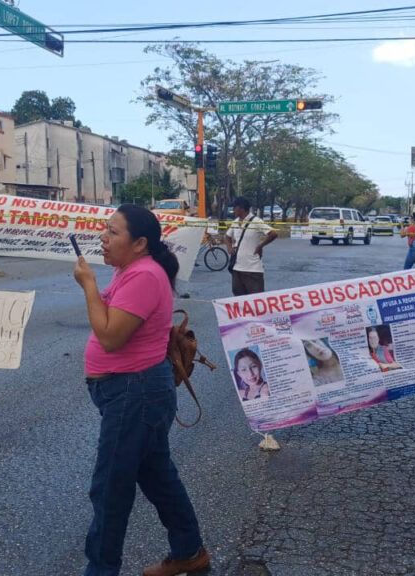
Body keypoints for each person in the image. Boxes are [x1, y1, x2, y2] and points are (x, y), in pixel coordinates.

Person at [73, 204, 209, 576]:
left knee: (110, 490)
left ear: (140, 243)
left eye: (113, 232)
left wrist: (87, 286)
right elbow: (110, 317)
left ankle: (101, 570)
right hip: (133, 392)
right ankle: (188, 552)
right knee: (157, 476)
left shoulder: (145, 276)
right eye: (105, 229)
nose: (103, 236)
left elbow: (110, 336)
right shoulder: (128, 270)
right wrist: (95, 289)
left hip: (135, 395)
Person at [226, 196, 278, 296]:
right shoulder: (236, 222)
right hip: (237, 269)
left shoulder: (256, 221)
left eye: (234, 207)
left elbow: (273, 234)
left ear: (241, 208)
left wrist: (260, 246)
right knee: (239, 300)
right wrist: (229, 248)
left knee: (255, 302)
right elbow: (227, 236)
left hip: (253, 270)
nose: (233, 210)